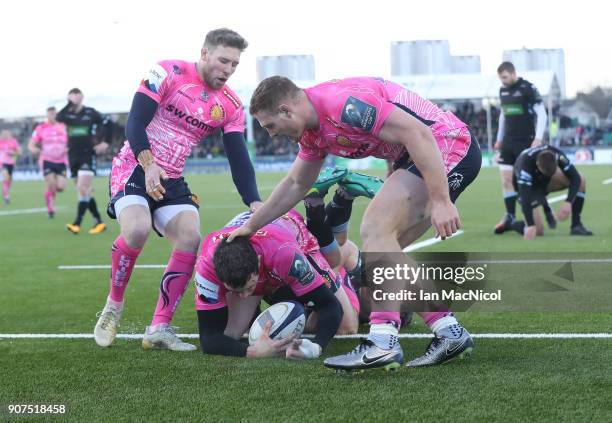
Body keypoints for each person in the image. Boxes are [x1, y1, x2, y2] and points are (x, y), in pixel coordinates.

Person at [228, 76, 482, 371]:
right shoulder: (313, 133)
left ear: (286, 110)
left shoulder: (341, 104)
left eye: (270, 126)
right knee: (387, 253)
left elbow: (418, 133)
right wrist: (251, 226)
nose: (271, 135)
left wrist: (441, 201)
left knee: (375, 228)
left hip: (445, 144)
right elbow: (297, 183)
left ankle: (382, 342)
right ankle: (449, 332)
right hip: (422, 153)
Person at [93, 28, 262, 351]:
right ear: (204, 54)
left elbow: (238, 157)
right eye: (223, 60)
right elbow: (135, 122)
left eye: (234, 65)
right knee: (138, 228)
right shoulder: (166, 72)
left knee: (190, 236)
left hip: (171, 177)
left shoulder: (230, 105)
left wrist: (254, 201)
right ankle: (114, 305)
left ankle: (160, 326)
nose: (227, 70)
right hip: (134, 165)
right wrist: (148, 163)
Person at [196, 209, 350, 358]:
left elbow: (330, 306)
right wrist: (254, 352)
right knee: (230, 335)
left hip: (293, 234)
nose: (243, 297)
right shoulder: (206, 266)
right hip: (259, 245)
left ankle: (349, 255)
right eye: (235, 291)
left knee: (347, 327)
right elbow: (210, 338)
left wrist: (316, 347)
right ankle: (264, 294)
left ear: (258, 262)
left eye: (249, 288)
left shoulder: (286, 255)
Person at [494, 61, 554, 234]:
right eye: (500, 78)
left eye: (505, 77)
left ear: (513, 73)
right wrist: (499, 139)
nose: (503, 81)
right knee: (506, 181)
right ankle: (510, 216)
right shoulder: (502, 90)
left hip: (525, 142)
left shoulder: (528, 88)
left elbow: (542, 114)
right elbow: (503, 116)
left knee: (525, 183)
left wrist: (538, 138)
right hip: (508, 143)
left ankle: (545, 212)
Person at [56, 88, 114, 234]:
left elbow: (109, 123)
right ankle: (99, 222)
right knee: (84, 191)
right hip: (72, 155)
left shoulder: (91, 112)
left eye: (77, 95)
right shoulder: (67, 114)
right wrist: (69, 103)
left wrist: (106, 142)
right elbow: (58, 117)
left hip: (88, 154)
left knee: (83, 188)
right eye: (72, 96)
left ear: (82, 97)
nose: (75, 98)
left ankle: (77, 223)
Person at [511, 145, 593, 239]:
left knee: (581, 180)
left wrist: (568, 202)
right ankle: (511, 224)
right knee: (538, 230)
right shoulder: (525, 166)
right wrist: (530, 225)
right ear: (537, 164)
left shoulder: (558, 155)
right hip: (529, 188)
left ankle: (576, 225)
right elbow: (525, 198)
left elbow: (575, 178)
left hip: (546, 182)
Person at [28, 107, 69, 218]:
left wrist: (68, 149)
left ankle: (51, 194)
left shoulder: (63, 127)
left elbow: (71, 142)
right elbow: (31, 144)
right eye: (50, 114)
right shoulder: (41, 128)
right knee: (50, 184)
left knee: (60, 187)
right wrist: (34, 149)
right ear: (47, 115)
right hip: (47, 160)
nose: (53, 116)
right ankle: (50, 209)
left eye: (54, 114)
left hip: (61, 161)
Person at [0, 129, 22, 204]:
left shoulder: (13, 142)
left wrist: (13, 153)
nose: (5, 135)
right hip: (2, 163)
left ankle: (5, 192)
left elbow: (19, 152)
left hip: (11, 163)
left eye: (7, 133)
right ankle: (6, 196)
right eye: (3, 133)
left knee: (9, 180)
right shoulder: (0, 142)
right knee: (6, 177)